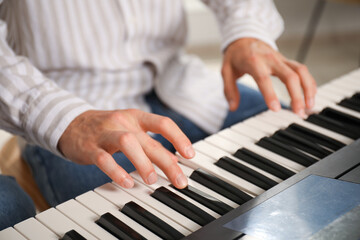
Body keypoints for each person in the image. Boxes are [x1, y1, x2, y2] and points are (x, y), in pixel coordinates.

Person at [0, 0, 316, 230]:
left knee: (311, 153)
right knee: (160, 222)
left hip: (183, 84)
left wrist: (247, 32)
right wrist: (67, 119)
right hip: (73, 110)